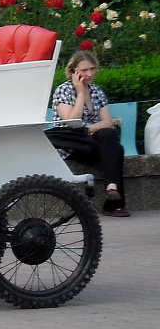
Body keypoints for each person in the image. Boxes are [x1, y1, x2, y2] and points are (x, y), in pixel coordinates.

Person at [49, 50, 129, 217]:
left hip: (91, 142)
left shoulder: (96, 91)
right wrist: (79, 93)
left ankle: (111, 188)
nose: (90, 73)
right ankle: (114, 205)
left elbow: (108, 123)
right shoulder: (63, 90)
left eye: (92, 69)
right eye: (84, 70)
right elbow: (72, 122)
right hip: (71, 143)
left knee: (109, 135)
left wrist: (85, 129)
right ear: (73, 71)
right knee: (116, 149)